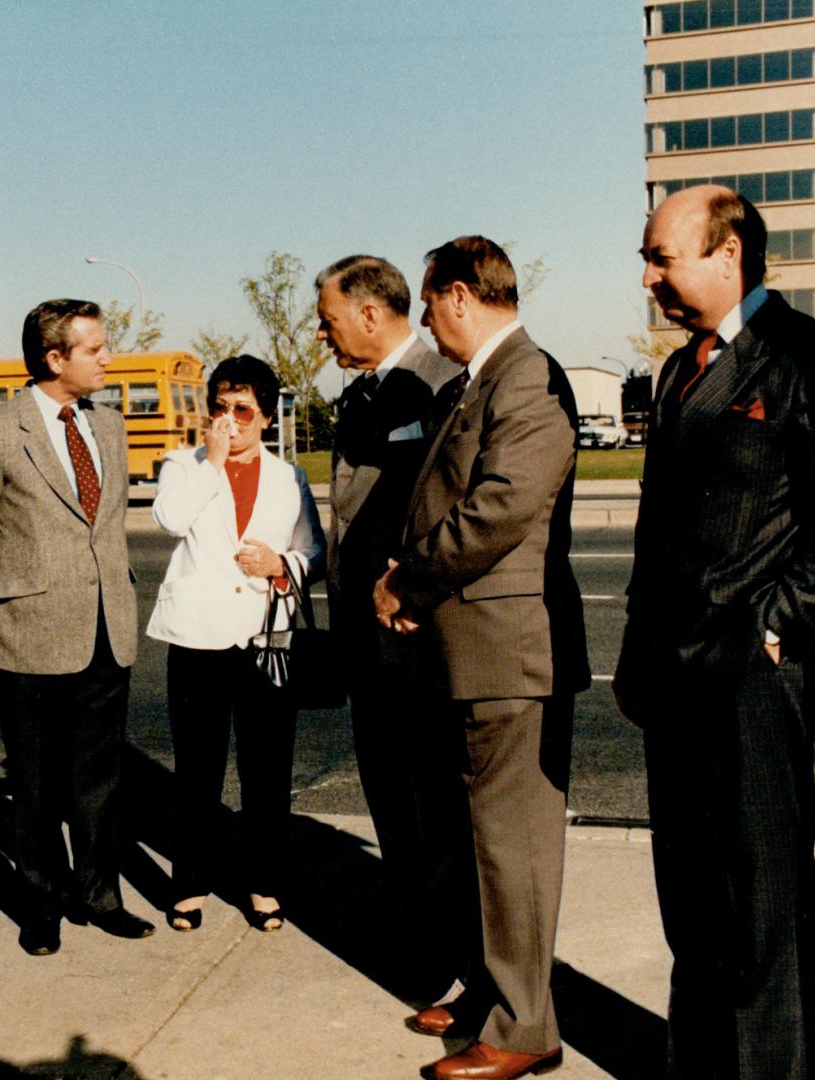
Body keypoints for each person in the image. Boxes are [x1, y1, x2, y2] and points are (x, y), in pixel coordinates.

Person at [616, 185, 815, 1079]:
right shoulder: (677, 371)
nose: (646, 278)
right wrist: (636, 653)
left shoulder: (810, 357)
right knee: (693, 904)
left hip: (752, 674)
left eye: (659, 258)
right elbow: (654, 533)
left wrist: (780, 629)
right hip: (671, 678)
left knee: (762, 905)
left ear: (727, 254)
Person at [372, 236, 588, 1080]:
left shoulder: (526, 377)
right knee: (475, 841)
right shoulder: (480, 383)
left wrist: (408, 582)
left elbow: (499, 508)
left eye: (427, 304)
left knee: (513, 847)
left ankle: (525, 1028)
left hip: (508, 653)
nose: (424, 320)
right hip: (470, 652)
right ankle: (489, 993)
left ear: (459, 295)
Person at [0, 298, 155, 956]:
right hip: (29, 635)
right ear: (54, 357)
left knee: (100, 780)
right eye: (94, 349)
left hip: (106, 628)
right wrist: (8, 601)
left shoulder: (112, 427)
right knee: (35, 785)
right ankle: (41, 904)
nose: (108, 359)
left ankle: (99, 895)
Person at [314, 255, 477, 1003]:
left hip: (416, 631)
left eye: (329, 318)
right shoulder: (362, 393)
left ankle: (441, 952)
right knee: (388, 790)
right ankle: (412, 922)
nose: (322, 334)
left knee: (432, 800)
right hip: (364, 633)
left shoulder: (442, 385)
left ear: (371, 314)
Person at [144, 355, 324, 933]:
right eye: (219, 408)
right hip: (197, 637)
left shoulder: (289, 478)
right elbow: (170, 518)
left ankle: (263, 883)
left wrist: (282, 563)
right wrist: (213, 464)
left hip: (265, 637)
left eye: (241, 410)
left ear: (266, 417)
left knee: (266, 773)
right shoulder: (184, 464)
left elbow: (315, 553)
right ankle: (189, 884)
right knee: (197, 771)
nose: (229, 420)